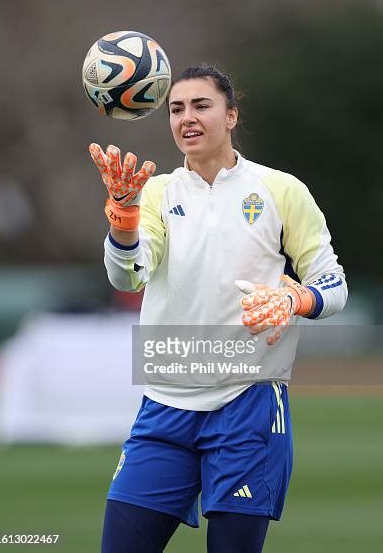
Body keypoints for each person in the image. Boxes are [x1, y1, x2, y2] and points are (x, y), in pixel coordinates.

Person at [89, 64, 348, 553]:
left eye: (201, 105)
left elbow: (332, 283)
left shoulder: (281, 189)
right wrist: (123, 221)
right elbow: (129, 274)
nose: (187, 117)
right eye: (176, 108)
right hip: (165, 404)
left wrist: (296, 298)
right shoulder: (156, 192)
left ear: (231, 115)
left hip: (247, 405)